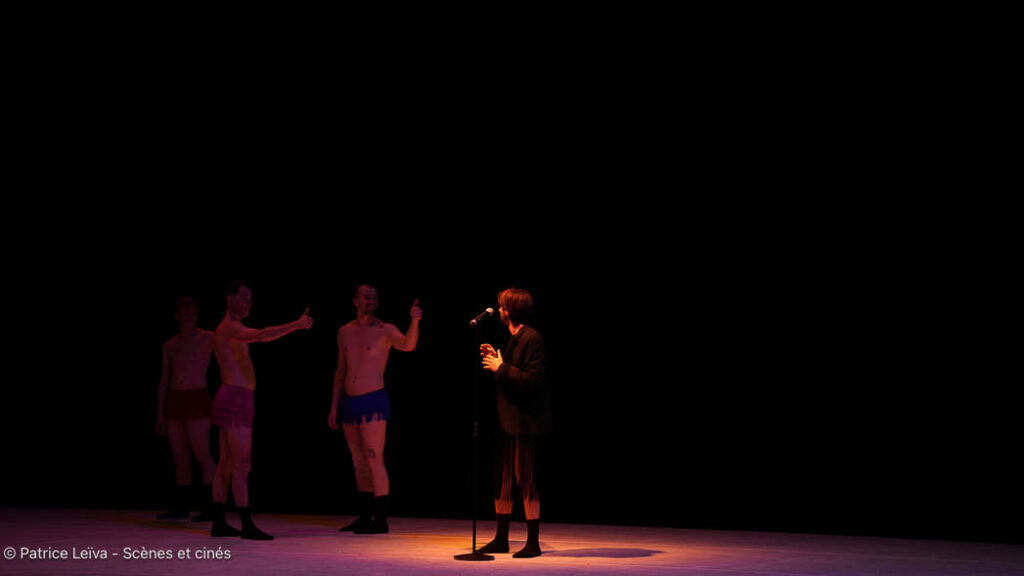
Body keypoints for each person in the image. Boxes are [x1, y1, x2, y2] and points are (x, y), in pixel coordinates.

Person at [210, 281, 313, 540]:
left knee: (227, 461)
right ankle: (245, 523)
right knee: (240, 463)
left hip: (237, 396)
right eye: (244, 298)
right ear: (230, 300)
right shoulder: (230, 328)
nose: (249, 303)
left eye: (250, 299)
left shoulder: (230, 328)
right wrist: (296, 324)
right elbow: (262, 335)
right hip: (235, 397)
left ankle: (219, 521)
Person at [328, 284, 421, 534]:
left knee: (373, 457)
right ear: (355, 301)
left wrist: (414, 322)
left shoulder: (385, 330)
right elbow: (340, 371)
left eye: (374, 297)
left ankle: (380, 519)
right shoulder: (344, 331)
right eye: (366, 297)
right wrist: (334, 405)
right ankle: (364, 515)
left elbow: (408, 345)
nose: (371, 300)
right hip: (350, 402)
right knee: (358, 461)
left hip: (372, 400)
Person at [478, 287, 550, 558]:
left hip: (525, 423)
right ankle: (501, 539)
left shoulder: (532, 338)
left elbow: (533, 380)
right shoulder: (514, 338)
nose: (499, 310)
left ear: (510, 311)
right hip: (507, 421)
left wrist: (501, 367)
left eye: (502, 306)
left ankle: (533, 542)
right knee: (504, 480)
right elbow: (512, 374)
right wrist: (499, 361)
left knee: (527, 480)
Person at [155, 296, 217, 522]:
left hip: (196, 397)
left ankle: (212, 507)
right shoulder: (170, 345)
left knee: (202, 453)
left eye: (193, 314)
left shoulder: (208, 338)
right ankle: (181, 507)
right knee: (180, 456)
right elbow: (164, 379)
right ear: (178, 316)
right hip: (175, 400)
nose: (190, 318)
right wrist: (160, 413)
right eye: (186, 314)